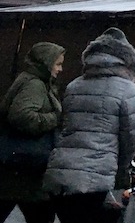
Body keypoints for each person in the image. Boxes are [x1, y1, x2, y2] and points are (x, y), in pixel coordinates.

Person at [42, 28, 135, 223]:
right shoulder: (127, 89)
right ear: (128, 60)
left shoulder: (74, 85)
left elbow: (65, 127)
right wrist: (122, 167)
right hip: (97, 176)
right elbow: (131, 137)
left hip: (61, 172)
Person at [0, 42, 65, 223]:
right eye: (58, 64)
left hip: (18, 168)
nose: (60, 69)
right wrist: (54, 118)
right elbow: (21, 116)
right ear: (46, 62)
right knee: (41, 215)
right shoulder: (35, 84)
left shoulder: (31, 80)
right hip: (27, 168)